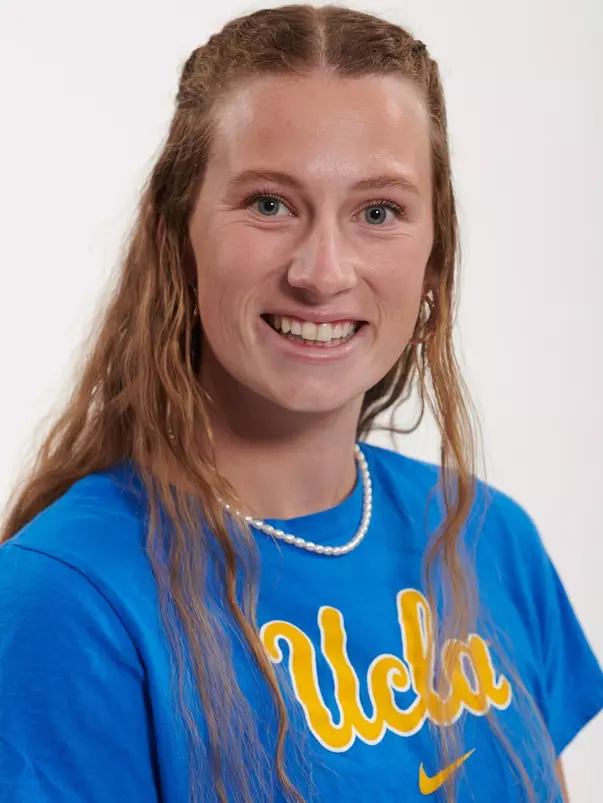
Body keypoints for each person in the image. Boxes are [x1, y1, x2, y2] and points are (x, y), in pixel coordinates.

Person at [0, 4, 601, 802]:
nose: (322, 272)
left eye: (378, 211)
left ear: (434, 254)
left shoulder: (489, 538)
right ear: (176, 232)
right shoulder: (68, 595)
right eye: (269, 204)